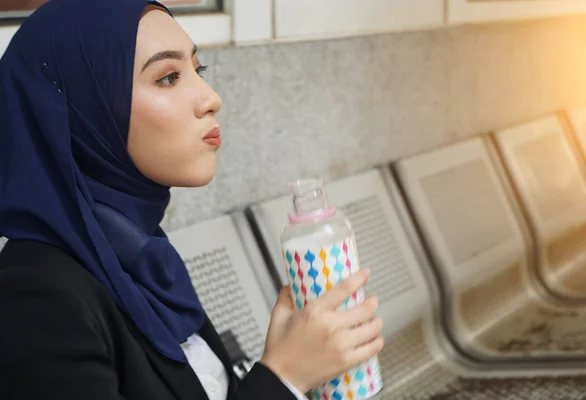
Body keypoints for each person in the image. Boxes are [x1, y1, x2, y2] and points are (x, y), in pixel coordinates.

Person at [0, 1, 384, 399]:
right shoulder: (35, 299)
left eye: (198, 70)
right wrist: (284, 375)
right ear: (82, 112)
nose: (211, 97)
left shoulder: (137, 253)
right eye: (168, 78)